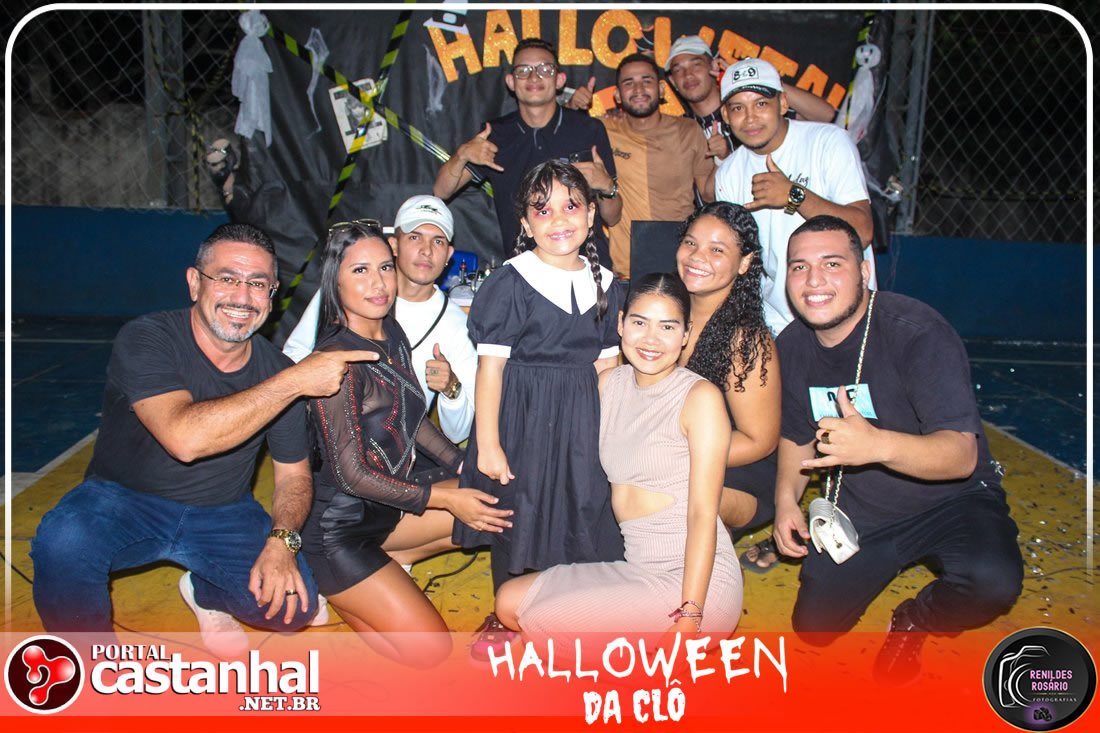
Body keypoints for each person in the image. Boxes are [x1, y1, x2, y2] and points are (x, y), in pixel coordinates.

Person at [31, 223, 377, 656]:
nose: (242, 296)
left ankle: (204, 591)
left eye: (258, 284)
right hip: (123, 501)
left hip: (222, 512)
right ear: (195, 283)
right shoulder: (147, 338)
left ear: (272, 295)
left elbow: (293, 476)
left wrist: (283, 541)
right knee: (63, 543)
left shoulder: (277, 369)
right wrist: (293, 383)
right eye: (227, 278)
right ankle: (88, 666)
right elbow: (184, 439)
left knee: (293, 609)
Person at [772, 215, 1022, 684]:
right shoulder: (792, 346)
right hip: (864, 513)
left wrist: (877, 445)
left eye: (832, 264)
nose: (814, 280)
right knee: (815, 630)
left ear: (865, 271)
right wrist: (786, 499)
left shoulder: (917, 331)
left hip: (952, 501)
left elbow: (961, 457)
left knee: (992, 582)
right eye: (799, 267)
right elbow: (795, 435)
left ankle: (916, 618)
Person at [302, 221, 511, 666]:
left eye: (384, 267)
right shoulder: (335, 361)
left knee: (499, 502)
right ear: (335, 280)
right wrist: (446, 498)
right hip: (340, 533)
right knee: (429, 652)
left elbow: (411, 419)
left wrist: (462, 464)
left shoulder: (390, 332)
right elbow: (350, 475)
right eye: (360, 271)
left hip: (390, 510)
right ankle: (328, 584)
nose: (378, 283)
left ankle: (393, 560)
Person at [494, 273, 740, 639]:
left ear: (686, 334)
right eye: (640, 323)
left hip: (695, 582)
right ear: (621, 323)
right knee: (509, 601)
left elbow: (703, 513)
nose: (651, 339)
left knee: (541, 624)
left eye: (667, 327)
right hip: (638, 568)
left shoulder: (699, 398)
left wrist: (690, 613)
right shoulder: (609, 384)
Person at [454, 160, 625, 658]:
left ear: (591, 215)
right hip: (522, 420)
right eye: (542, 210)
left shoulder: (608, 284)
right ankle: (505, 613)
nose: (559, 219)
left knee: (581, 508)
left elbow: (608, 367)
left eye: (571, 206)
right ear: (526, 225)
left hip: (582, 420)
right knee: (518, 513)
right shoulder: (511, 282)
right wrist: (488, 445)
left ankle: (567, 609)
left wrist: (613, 434)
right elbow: (491, 370)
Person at [284, 195, 478, 444]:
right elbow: (294, 355)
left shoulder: (457, 325)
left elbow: (459, 432)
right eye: (415, 237)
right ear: (394, 245)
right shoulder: (349, 290)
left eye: (438, 241)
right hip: (327, 443)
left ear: (449, 253)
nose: (426, 250)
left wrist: (451, 389)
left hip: (401, 453)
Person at [714, 57, 875, 336]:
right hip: (780, 323)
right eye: (738, 107)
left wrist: (794, 195)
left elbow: (862, 231)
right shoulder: (728, 173)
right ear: (726, 117)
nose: (750, 117)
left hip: (845, 315)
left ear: (783, 104)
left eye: (761, 104)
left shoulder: (827, 142)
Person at [432, 38, 622, 269]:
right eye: (524, 70)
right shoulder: (496, 134)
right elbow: (441, 191)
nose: (534, 77)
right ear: (511, 82)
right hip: (525, 271)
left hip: (588, 268)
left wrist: (607, 187)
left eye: (544, 69)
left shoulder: (587, 130)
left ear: (559, 79)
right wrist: (461, 154)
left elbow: (613, 217)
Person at [674, 202, 782, 572]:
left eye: (717, 249)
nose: (697, 257)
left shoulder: (745, 340)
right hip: (680, 455)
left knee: (662, 496)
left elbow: (759, 441)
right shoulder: (665, 312)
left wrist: (673, 454)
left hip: (740, 474)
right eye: (691, 243)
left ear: (745, 262)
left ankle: (715, 564)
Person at [601, 53, 715, 279]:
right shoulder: (603, 130)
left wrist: (723, 158)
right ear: (617, 95)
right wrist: (571, 103)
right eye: (629, 83)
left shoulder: (688, 130)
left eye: (647, 80)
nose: (638, 89)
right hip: (624, 271)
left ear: (661, 90)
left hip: (679, 265)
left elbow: (709, 195)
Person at [664, 35, 838, 166]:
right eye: (678, 70)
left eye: (696, 64)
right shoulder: (681, 131)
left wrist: (764, 82)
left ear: (713, 65)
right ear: (672, 81)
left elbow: (826, 115)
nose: (688, 75)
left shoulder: (756, 106)